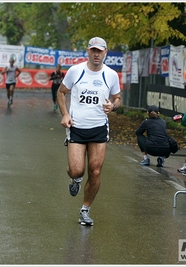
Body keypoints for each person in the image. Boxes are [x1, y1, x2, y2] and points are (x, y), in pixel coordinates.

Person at [56, 37, 121, 226]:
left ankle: (85, 210)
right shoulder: (76, 71)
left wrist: (113, 106)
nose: (96, 54)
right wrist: (65, 114)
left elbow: (117, 98)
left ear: (105, 53)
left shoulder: (110, 75)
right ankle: (75, 179)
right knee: (77, 170)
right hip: (76, 127)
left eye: (100, 51)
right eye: (93, 50)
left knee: (95, 170)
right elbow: (61, 92)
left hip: (99, 128)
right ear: (88, 51)